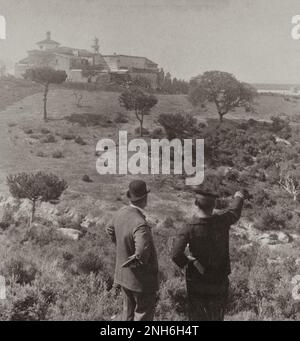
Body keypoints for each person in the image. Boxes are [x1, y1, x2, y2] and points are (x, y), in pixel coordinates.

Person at [172, 188, 246, 321]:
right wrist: (239, 196)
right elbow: (234, 211)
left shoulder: (188, 227)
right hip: (219, 279)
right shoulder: (222, 220)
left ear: (196, 203)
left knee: (197, 316)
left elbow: (176, 254)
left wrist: (188, 260)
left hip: (197, 280)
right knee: (217, 315)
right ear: (215, 205)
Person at [106, 180, 159, 321]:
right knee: (142, 316)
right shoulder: (140, 224)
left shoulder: (120, 213)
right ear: (145, 198)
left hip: (124, 277)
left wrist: (122, 247)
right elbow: (141, 254)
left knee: (127, 315)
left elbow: (109, 228)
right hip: (141, 282)